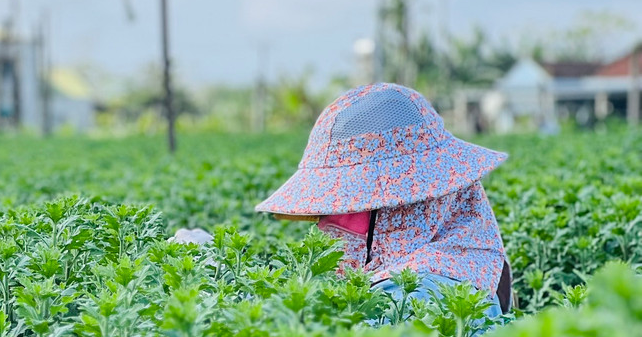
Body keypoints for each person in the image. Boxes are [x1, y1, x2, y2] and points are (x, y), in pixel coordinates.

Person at [175, 83, 512, 315]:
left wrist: (215, 279)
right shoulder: (467, 257)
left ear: (402, 210)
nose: (326, 225)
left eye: (347, 210)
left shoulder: (415, 292)